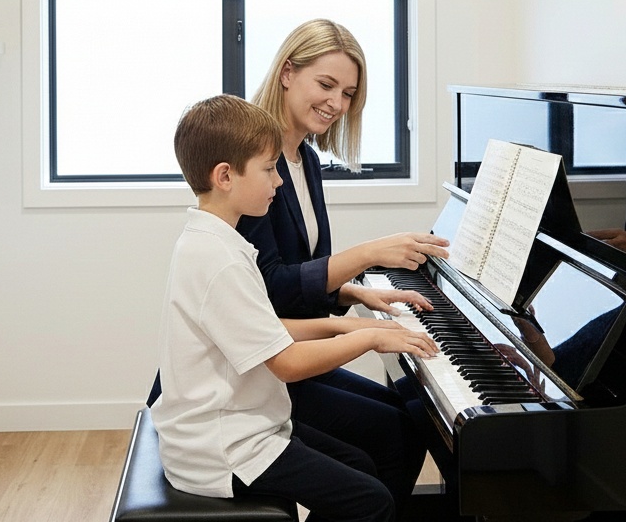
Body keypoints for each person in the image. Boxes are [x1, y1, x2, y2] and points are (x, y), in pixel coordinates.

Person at [153, 95, 439, 522]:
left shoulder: (215, 241)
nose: (279, 182)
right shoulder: (220, 259)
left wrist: (341, 328)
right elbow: (286, 364)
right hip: (226, 447)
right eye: (269, 170)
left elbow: (267, 329)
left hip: (246, 423)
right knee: (370, 500)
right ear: (226, 176)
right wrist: (370, 337)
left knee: (362, 467)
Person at [238, 19, 453, 510]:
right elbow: (268, 288)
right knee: (395, 434)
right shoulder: (254, 163)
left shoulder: (305, 160)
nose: (337, 103)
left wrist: (355, 291)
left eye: (349, 93)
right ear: (287, 72)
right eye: (327, 85)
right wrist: (367, 255)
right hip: (255, 365)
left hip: (287, 342)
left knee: (408, 415)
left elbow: (300, 270)